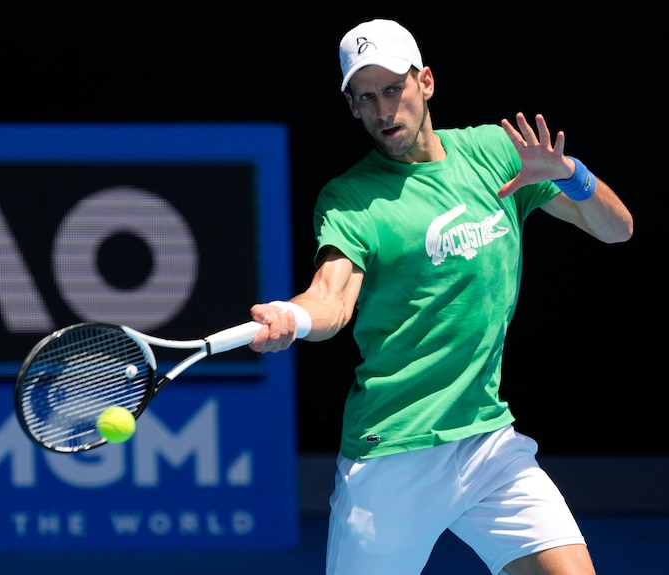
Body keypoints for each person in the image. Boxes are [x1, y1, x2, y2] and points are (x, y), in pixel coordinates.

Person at [249, 18, 633, 575]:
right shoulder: (351, 199)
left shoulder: (497, 154)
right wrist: (292, 316)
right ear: (352, 107)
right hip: (392, 454)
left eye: (392, 89)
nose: (383, 111)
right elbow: (330, 301)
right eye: (365, 98)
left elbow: (617, 229)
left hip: (488, 441)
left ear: (425, 82)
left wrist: (571, 174)